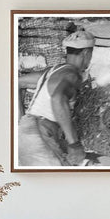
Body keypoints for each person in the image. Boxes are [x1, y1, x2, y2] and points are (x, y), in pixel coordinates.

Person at [18, 31, 94, 166]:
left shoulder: (53, 71)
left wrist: (22, 119)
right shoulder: (72, 75)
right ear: (86, 53)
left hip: (25, 133)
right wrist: (74, 144)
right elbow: (58, 99)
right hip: (40, 135)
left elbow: (16, 83)